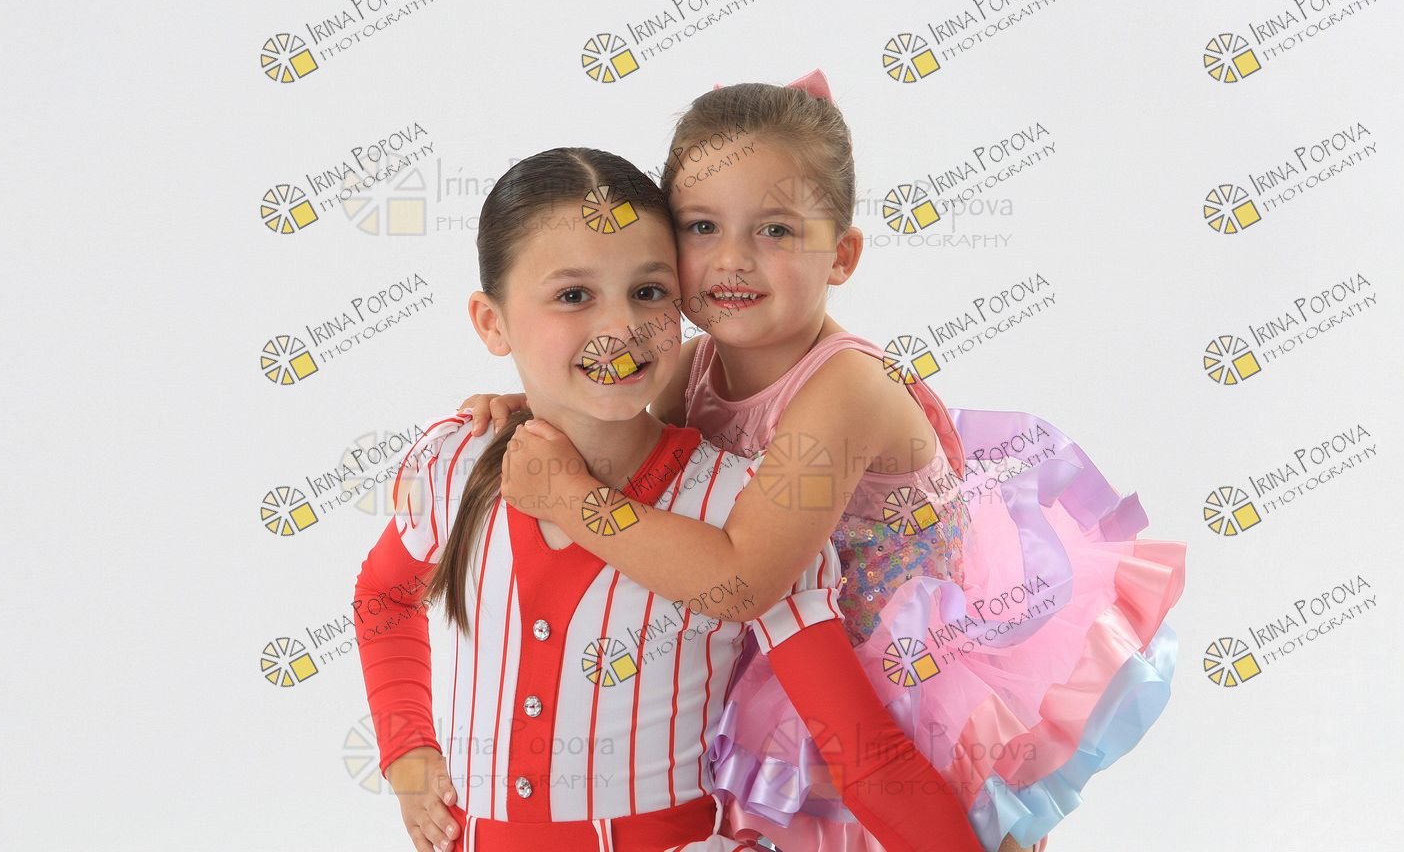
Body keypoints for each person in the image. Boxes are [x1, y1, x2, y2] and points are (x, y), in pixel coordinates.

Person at [461, 73, 1187, 852]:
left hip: (910, 678)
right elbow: (612, 415)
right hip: (799, 667)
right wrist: (532, 403)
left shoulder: (847, 388)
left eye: (775, 231)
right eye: (702, 227)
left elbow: (745, 580)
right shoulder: (692, 368)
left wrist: (571, 501)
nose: (732, 260)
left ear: (842, 256)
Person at [354, 146, 986, 852]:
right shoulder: (455, 461)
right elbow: (383, 597)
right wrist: (407, 750)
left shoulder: (740, 512)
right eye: (573, 296)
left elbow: (868, 759)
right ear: (490, 322)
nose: (621, 327)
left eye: (650, 292)